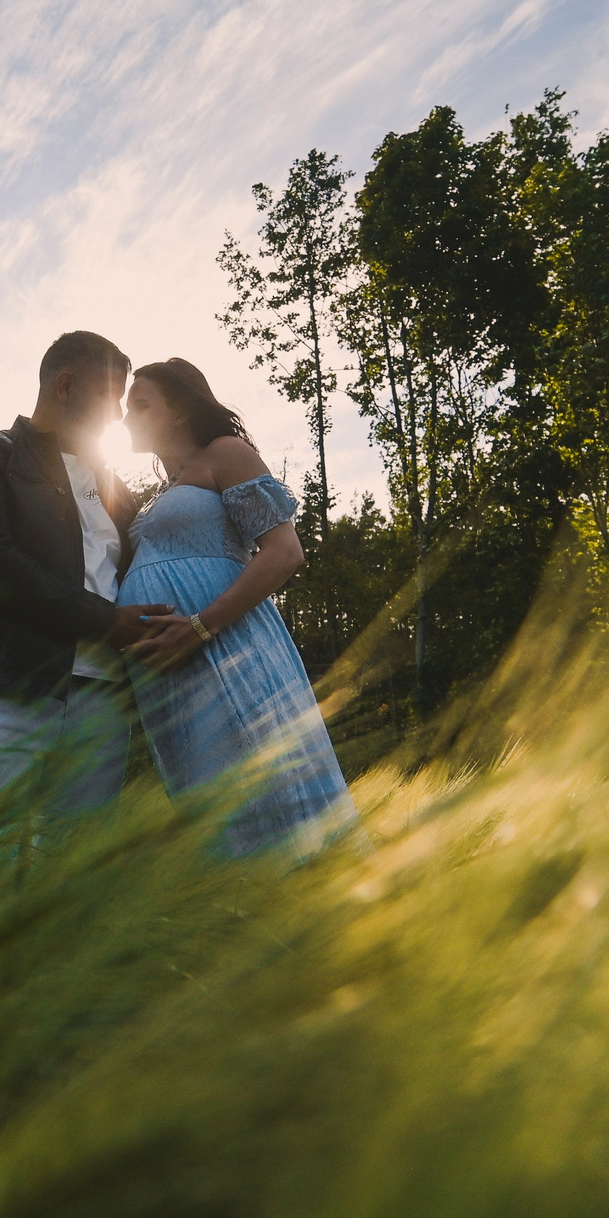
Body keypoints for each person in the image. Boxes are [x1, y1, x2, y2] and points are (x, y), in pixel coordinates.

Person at [0, 331, 172, 836]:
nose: (118, 416)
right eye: (111, 397)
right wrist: (107, 622)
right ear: (65, 385)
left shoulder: (116, 490)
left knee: (75, 872)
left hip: (103, 704)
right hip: (6, 686)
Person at [119, 358, 355, 854]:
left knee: (263, 784)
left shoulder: (225, 454)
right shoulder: (165, 489)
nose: (126, 418)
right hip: (172, 671)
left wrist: (201, 628)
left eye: (140, 404)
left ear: (181, 410)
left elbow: (285, 552)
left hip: (225, 649)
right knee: (210, 804)